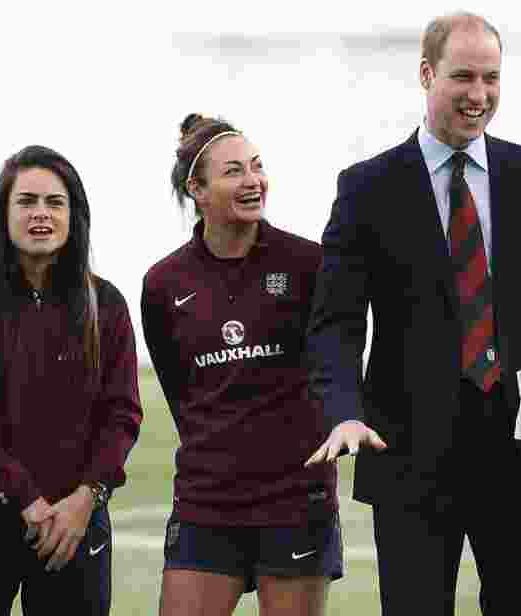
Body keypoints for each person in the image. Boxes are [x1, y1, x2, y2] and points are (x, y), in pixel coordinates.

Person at [304, 13, 521, 616]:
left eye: (492, 78)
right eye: (463, 77)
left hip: (519, 452)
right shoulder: (366, 187)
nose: (480, 95)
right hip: (409, 458)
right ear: (427, 74)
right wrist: (342, 412)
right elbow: (337, 323)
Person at [141, 114, 342, 616]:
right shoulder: (164, 283)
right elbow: (181, 393)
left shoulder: (308, 265)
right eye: (234, 171)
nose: (253, 181)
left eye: (257, 167)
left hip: (296, 498)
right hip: (207, 499)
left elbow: (333, 364)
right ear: (197, 188)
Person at [0, 145, 143, 615]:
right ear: (3, 213)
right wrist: (23, 494)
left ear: (74, 214)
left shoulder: (104, 302)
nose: (40, 214)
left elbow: (122, 414)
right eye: (26, 202)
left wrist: (87, 498)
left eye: (54, 202)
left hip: (75, 524)